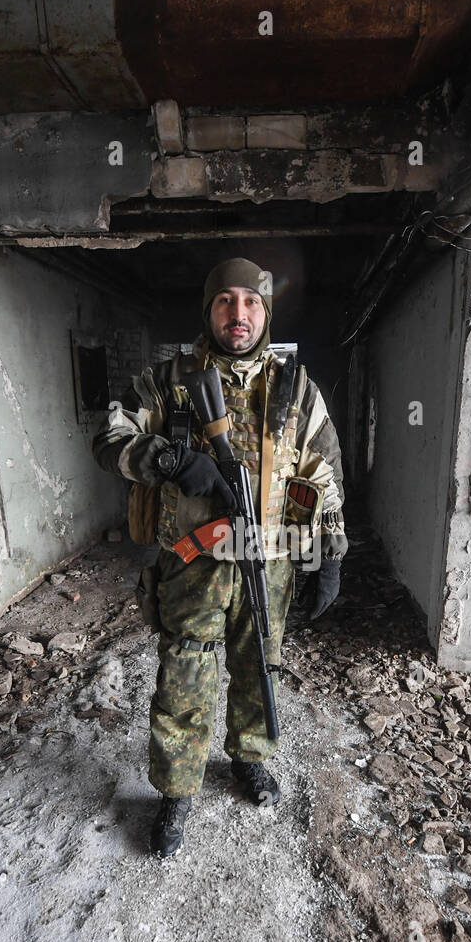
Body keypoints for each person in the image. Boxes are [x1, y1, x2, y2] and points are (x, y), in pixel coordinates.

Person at [92, 257, 347, 856]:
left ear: (266, 312)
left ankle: (249, 759)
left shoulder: (295, 388)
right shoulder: (166, 382)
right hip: (191, 563)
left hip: (270, 562)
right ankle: (178, 792)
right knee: (184, 677)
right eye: (226, 301)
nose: (239, 313)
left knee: (259, 668)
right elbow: (108, 440)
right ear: (209, 310)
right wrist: (171, 459)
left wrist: (330, 553)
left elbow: (324, 472)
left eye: (251, 302)